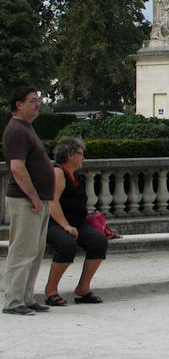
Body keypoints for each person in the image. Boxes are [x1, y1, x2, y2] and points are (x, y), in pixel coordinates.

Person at [3, 87, 55, 315]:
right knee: (23, 251)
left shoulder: (26, 128)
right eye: (33, 101)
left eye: (38, 100)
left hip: (37, 199)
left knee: (35, 251)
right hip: (25, 200)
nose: (37, 105)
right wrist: (33, 196)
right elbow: (17, 167)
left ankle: (26, 297)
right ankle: (14, 301)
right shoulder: (16, 130)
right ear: (19, 105)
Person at [44, 137, 110, 306]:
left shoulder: (75, 175)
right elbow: (52, 202)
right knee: (67, 244)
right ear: (70, 155)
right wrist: (65, 225)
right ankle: (51, 291)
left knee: (99, 241)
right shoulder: (58, 173)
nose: (83, 158)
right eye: (81, 154)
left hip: (77, 223)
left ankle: (83, 288)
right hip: (54, 223)